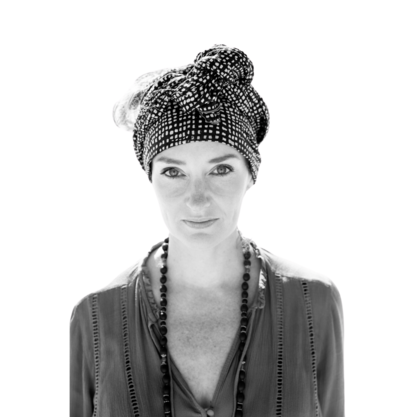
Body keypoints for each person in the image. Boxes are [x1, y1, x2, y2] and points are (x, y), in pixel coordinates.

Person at [68, 43, 346, 417]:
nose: (197, 200)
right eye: (173, 172)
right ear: (150, 179)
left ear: (251, 174)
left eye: (221, 169)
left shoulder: (315, 302)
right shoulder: (94, 317)